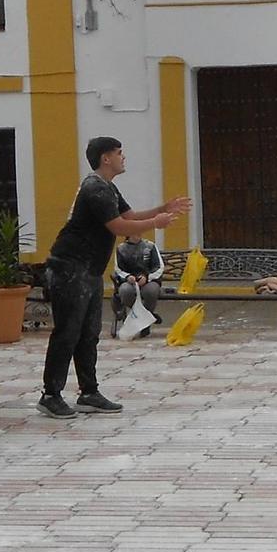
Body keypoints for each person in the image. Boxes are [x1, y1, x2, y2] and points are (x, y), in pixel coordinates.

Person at [41, 137, 190, 420]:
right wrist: (155, 224)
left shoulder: (108, 188)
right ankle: (50, 395)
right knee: (68, 332)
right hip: (69, 268)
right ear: (105, 158)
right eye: (119, 153)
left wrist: (162, 208)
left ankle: (89, 392)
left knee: (89, 332)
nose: (124, 157)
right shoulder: (94, 187)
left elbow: (129, 215)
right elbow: (119, 226)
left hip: (90, 270)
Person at [111, 233, 166, 335]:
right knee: (125, 291)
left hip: (149, 281)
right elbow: (118, 268)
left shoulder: (150, 246)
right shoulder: (121, 249)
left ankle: (144, 321)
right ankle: (146, 316)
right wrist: (127, 277)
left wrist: (147, 277)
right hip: (129, 282)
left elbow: (159, 267)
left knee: (151, 291)